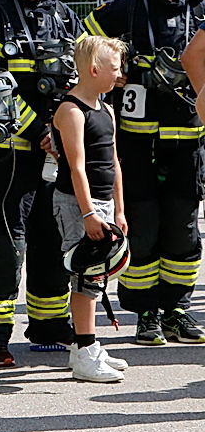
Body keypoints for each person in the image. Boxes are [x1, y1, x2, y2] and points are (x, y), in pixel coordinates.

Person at [85, 0, 205, 345]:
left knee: (183, 225)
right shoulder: (129, 6)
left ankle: (178, 308)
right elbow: (86, 44)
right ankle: (146, 312)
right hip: (136, 138)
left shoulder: (202, 5)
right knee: (143, 223)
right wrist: (121, 73)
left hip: (188, 135)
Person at [0, 0, 83, 363]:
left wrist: (68, 129)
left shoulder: (64, 15)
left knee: (51, 237)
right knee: (4, 242)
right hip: (10, 151)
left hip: (57, 149)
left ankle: (50, 325)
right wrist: (41, 129)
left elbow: (81, 76)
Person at [49, 36, 131, 382]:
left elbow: (113, 162)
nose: (120, 74)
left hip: (103, 204)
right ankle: (83, 351)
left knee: (97, 278)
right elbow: (76, 166)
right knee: (86, 276)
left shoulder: (107, 108)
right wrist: (88, 213)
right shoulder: (71, 111)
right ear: (94, 69)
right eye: (115, 69)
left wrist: (119, 210)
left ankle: (88, 344)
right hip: (77, 204)